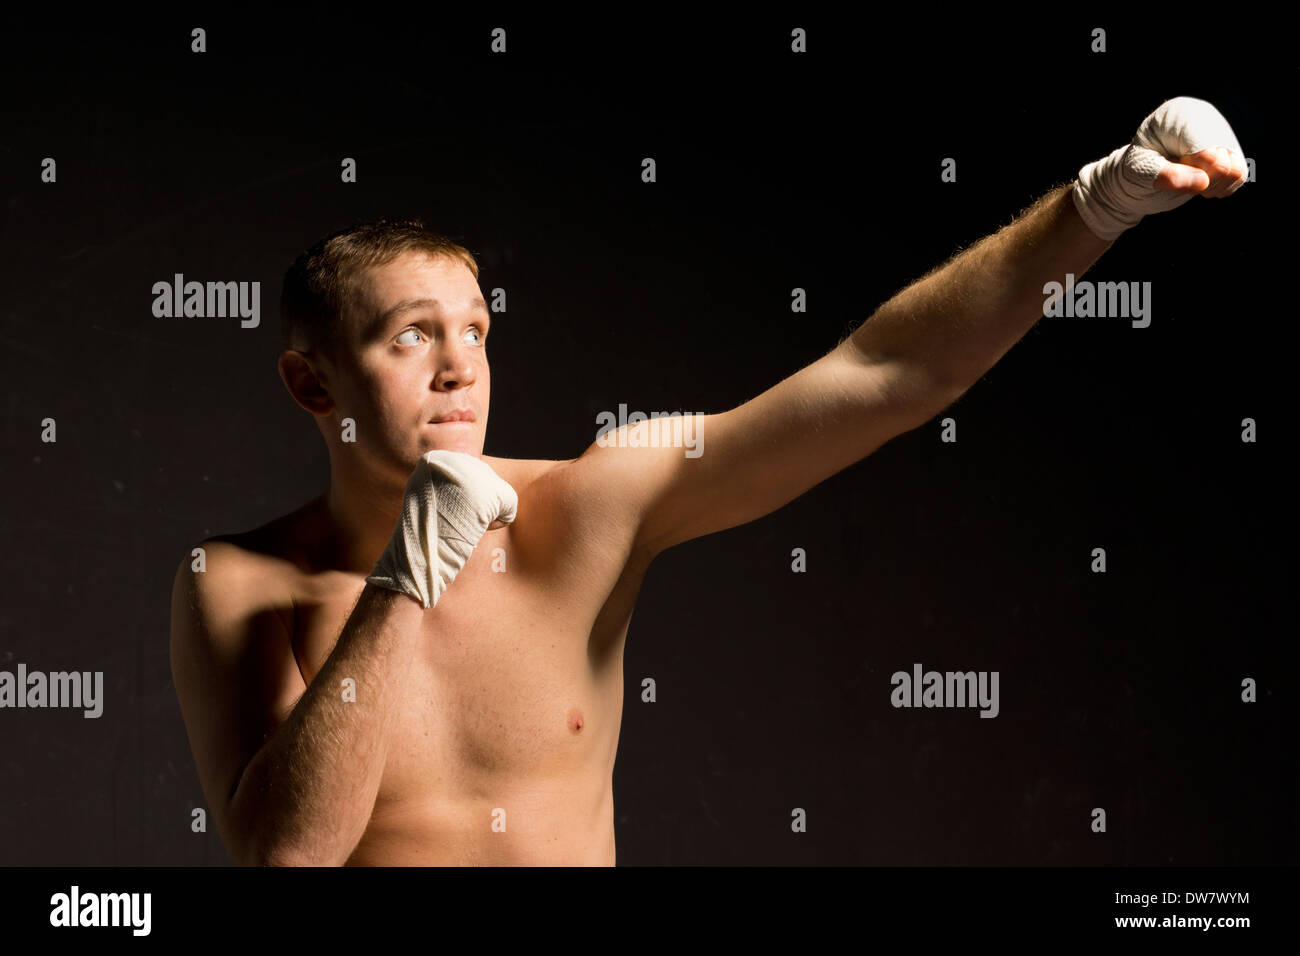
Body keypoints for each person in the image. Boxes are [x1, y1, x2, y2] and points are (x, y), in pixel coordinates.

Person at [169, 97, 1247, 865]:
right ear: (312, 382)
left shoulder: (584, 508)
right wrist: (405, 580)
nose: (460, 366)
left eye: (476, 332)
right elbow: (286, 855)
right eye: (412, 337)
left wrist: (1093, 205)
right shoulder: (240, 583)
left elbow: (883, 374)